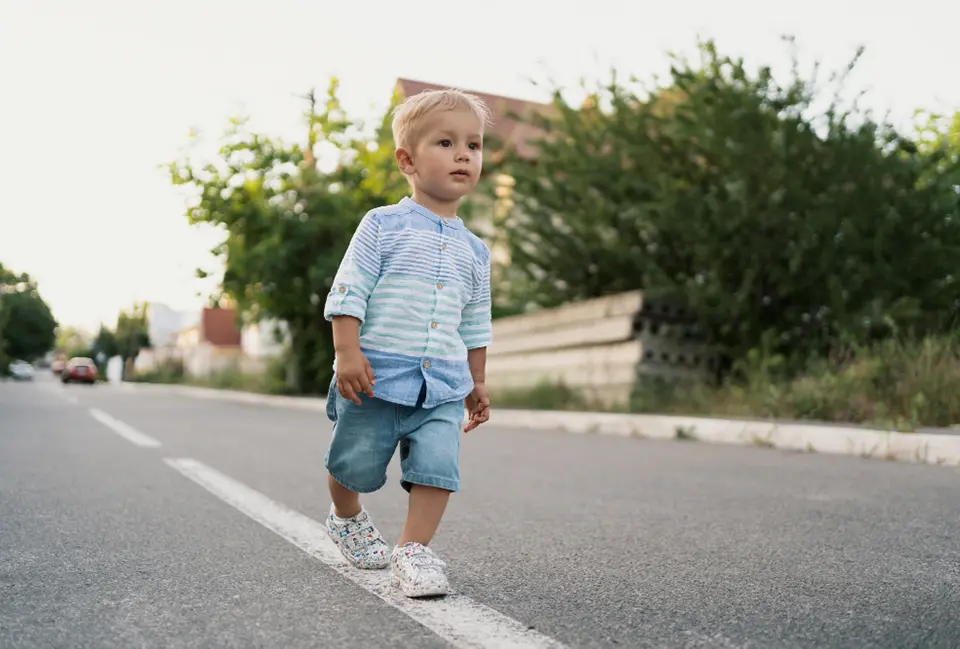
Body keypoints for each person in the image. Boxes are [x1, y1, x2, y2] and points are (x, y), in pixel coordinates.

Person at [322, 88, 494, 598]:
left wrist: (477, 380)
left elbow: (476, 323)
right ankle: (345, 516)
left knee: (439, 467)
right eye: (446, 142)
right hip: (375, 376)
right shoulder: (383, 225)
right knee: (350, 464)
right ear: (407, 160)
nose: (464, 154)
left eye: (474, 145)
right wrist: (347, 353)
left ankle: (413, 551)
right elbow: (349, 290)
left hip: (442, 382)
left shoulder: (476, 251)